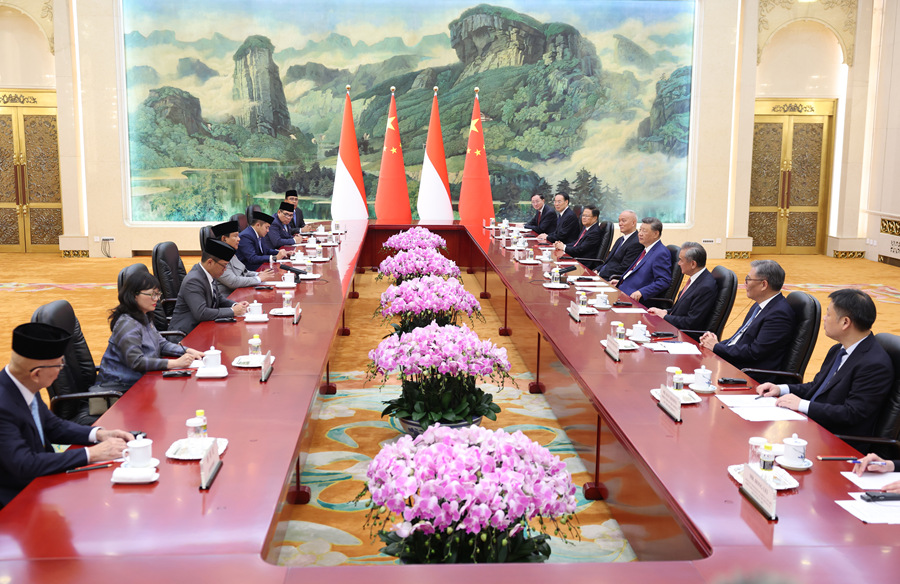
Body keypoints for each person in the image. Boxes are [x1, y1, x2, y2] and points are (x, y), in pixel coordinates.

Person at [0, 323, 133, 508]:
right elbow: (24, 464)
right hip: (16, 501)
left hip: (44, 480)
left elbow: (53, 426)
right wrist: (91, 454)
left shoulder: (23, 383)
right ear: (36, 374)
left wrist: (100, 434)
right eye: (59, 364)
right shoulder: (3, 405)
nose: (62, 369)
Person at [756, 289, 893, 436]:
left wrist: (802, 405)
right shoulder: (838, 350)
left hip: (836, 438)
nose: (824, 318)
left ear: (845, 322)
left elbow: (851, 413)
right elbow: (817, 387)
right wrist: (781, 389)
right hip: (813, 424)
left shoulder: (874, 364)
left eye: (828, 314)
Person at [95, 271, 205, 398]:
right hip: (119, 390)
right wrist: (175, 363)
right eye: (152, 294)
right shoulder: (127, 324)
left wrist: (188, 350)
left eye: (157, 294)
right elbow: (136, 362)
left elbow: (161, 343)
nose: (156, 299)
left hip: (142, 382)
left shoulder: (144, 315)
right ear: (134, 295)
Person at [699, 260, 795, 381]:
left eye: (748, 279)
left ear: (764, 284)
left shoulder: (779, 314)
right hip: (736, 365)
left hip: (750, 376)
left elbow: (754, 352)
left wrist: (717, 347)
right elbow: (739, 338)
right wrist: (714, 343)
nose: (745, 284)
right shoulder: (759, 305)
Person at [169, 238, 250, 336]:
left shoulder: (210, 273)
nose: (225, 270)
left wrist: (236, 305)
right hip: (186, 334)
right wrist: (232, 311)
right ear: (210, 262)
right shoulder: (193, 280)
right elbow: (201, 313)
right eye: (224, 266)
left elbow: (219, 299)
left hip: (204, 328)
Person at [648, 242, 716, 332]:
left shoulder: (705, 287)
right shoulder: (696, 279)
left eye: (681, 260)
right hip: (675, 327)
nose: (679, 263)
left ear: (693, 264)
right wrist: (664, 311)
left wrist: (664, 317)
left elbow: (691, 323)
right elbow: (681, 311)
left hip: (683, 334)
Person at [610, 217, 671, 302]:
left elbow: (663, 281)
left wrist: (642, 292)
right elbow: (637, 274)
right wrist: (621, 281)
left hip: (634, 298)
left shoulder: (661, 253)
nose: (640, 234)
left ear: (655, 234)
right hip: (623, 290)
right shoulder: (646, 249)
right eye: (640, 230)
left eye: (644, 231)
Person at [212, 220, 275, 295]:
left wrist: (258, 274)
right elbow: (233, 282)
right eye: (235, 236)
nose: (239, 239)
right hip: (229, 297)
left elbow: (244, 272)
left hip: (241, 293)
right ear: (224, 239)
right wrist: (258, 279)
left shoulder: (231, 252)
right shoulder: (218, 257)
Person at [597, 210, 642, 281]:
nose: (620, 224)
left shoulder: (637, 242)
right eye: (619, 221)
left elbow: (624, 268)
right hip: (603, 274)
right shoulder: (620, 239)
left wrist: (600, 274)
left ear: (633, 223)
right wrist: (597, 270)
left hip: (611, 279)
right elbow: (609, 261)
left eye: (623, 221)